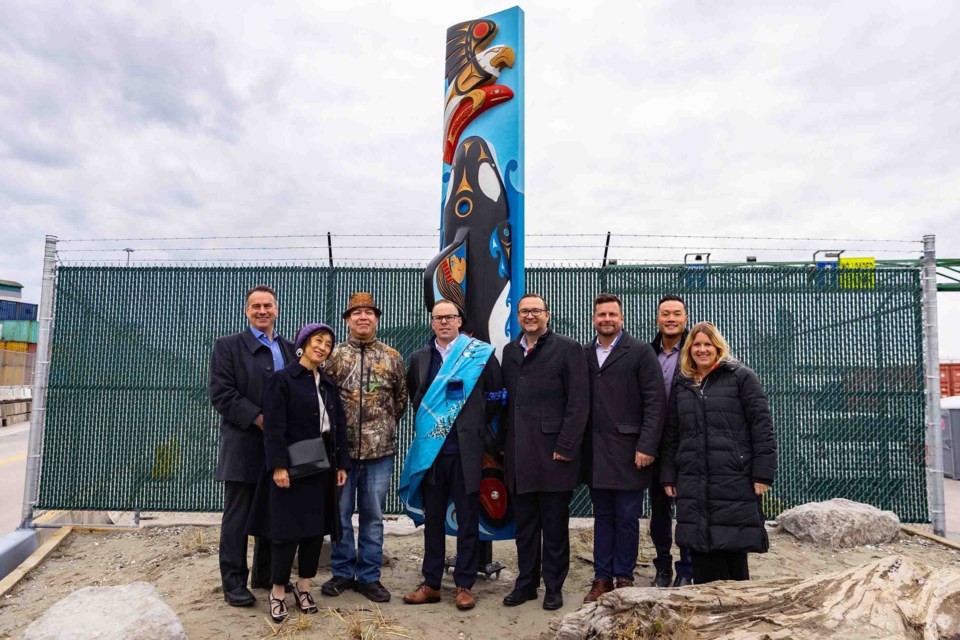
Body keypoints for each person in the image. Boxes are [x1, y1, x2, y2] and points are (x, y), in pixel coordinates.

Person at [399, 300, 503, 611]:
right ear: (432, 322)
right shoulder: (419, 358)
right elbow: (417, 398)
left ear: (460, 321)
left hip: (468, 452)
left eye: (450, 317)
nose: (444, 322)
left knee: (468, 519)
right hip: (432, 454)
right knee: (433, 520)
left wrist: (474, 424)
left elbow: (496, 396)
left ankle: (464, 585)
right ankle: (431, 583)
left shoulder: (480, 355)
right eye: (438, 318)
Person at [247, 323, 350, 622]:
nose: (323, 347)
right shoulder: (283, 380)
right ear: (303, 343)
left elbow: (338, 426)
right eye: (318, 341)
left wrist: (342, 464)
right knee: (285, 533)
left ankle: (304, 588)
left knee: (315, 532)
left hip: (322, 468)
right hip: (291, 469)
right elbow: (274, 427)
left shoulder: (328, 384)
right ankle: (278, 591)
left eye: (328, 344)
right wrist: (278, 465)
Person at [660, 322, 777, 584]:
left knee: (733, 546)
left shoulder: (741, 377)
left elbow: (762, 426)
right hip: (692, 477)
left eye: (707, 345)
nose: (702, 350)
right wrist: (668, 475)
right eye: (697, 345)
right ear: (689, 350)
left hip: (733, 477)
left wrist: (763, 473)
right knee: (701, 546)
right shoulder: (683, 384)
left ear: (718, 347)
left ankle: (736, 611)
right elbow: (671, 434)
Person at [500, 293, 589, 611]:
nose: (529, 316)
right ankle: (526, 584)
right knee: (524, 528)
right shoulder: (510, 352)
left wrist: (566, 446)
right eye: (524, 311)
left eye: (536, 311)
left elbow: (578, 404)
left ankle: (554, 587)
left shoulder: (568, 349)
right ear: (518, 316)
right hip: (519, 457)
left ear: (547, 315)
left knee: (554, 527)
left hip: (554, 456)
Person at [209, 285, 294, 607]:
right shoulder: (228, 346)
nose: (262, 311)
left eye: (268, 306)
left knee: (274, 514)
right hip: (244, 446)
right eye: (256, 306)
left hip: (279, 450)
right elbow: (222, 394)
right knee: (238, 518)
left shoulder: (288, 349)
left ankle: (265, 575)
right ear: (247, 311)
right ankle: (234, 583)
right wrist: (261, 419)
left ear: (276, 309)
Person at [321, 292, 408, 603]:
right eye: (356, 313)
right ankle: (343, 571)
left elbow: (400, 400)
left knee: (372, 516)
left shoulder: (391, 357)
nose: (363, 317)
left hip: (379, 454)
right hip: (339, 455)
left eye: (369, 312)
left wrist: (378, 428)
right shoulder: (333, 356)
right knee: (340, 515)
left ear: (376, 318)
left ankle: (369, 576)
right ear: (347, 320)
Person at [581, 293, 664, 603]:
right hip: (595, 453)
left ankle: (624, 576)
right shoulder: (584, 353)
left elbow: (655, 402)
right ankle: (601, 578)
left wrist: (646, 445)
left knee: (628, 517)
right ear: (593, 319)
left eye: (612, 314)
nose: (606, 319)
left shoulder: (641, 352)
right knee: (602, 517)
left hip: (631, 451)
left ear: (621, 318)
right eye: (601, 314)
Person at [649, 294, 694, 587]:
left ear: (685, 318)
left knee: (688, 510)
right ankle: (663, 566)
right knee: (659, 510)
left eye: (676, 313)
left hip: (689, 442)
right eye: (665, 313)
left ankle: (687, 569)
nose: (671, 318)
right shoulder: (647, 352)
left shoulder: (698, 350)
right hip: (655, 441)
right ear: (658, 319)